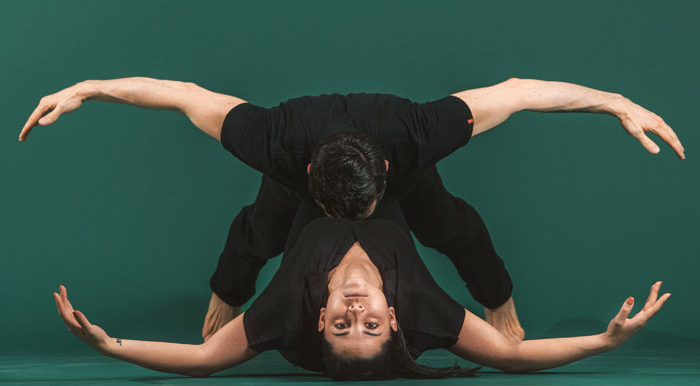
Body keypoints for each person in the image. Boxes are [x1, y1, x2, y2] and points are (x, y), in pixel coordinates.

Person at [22, 76, 684, 344]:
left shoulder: (417, 132)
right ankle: (223, 307)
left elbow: (520, 92)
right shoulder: (277, 139)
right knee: (258, 233)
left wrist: (618, 102)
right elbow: (179, 94)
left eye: (366, 212)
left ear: (385, 176)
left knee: (452, 226)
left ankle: (502, 311)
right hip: (298, 178)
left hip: (400, 169)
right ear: (310, 173)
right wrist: (87, 90)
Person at [53, 193, 672, 379]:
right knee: (452, 222)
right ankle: (498, 291)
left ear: (318, 323)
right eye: (370, 324)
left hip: (302, 190)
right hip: (389, 185)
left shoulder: (287, 310)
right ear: (395, 319)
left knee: (254, 232)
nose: (355, 312)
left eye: (343, 324)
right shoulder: (423, 310)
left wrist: (112, 346)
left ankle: (228, 283)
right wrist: (604, 341)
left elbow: (204, 360)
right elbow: (510, 357)